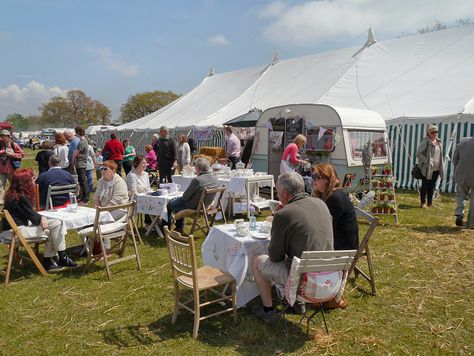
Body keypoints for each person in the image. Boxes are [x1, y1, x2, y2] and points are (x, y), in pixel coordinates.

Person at [251, 172, 333, 323]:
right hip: (328, 278)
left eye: (276, 191)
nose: (277, 195)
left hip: (303, 282)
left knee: (258, 260)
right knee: (298, 256)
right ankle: (297, 303)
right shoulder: (321, 204)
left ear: (284, 192)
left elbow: (275, 257)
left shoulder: (284, 214)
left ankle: (267, 310)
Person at [2, 168, 77, 271]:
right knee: (54, 227)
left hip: (9, 231)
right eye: (33, 179)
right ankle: (58, 258)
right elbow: (34, 218)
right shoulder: (21, 197)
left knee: (55, 224)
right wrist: (42, 218)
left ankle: (52, 260)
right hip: (15, 233)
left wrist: (42, 218)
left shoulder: (12, 195)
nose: (34, 181)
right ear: (25, 182)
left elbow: (30, 214)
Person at [312, 163, 359, 250]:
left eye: (316, 177)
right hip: (336, 241)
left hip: (343, 248)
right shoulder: (327, 195)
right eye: (313, 176)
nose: (313, 180)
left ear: (327, 178)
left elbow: (325, 226)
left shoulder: (336, 198)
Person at [164, 157, 218, 233]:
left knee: (169, 203)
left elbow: (185, 197)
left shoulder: (197, 180)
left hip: (194, 206)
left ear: (198, 169)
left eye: (195, 167)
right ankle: (179, 227)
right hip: (205, 204)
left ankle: (166, 229)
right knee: (178, 203)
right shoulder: (214, 177)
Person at [416, 124, 444, 208]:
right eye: (432, 132)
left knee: (432, 186)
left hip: (436, 168)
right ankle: (422, 203)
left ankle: (430, 203)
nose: (435, 134)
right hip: (427, 168)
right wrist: (426, 161)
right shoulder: (426, 141)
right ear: (429, 133)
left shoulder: (439, 141)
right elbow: (418, 153)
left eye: (436, 132)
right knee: (425, 185)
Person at [452, 136, 474, 228]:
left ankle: (459, 213)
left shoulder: (463, 141)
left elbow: (454, 159)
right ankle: (472, 223)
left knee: (460, 195)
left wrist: (458, 167)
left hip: (462, 173)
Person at [0, 129, 24, 204]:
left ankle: (19, 198)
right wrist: (2, 152)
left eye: (4, 136)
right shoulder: (0, 144)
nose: (3, 138)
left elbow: (22, 155)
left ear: (9, 136)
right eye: (2, 136)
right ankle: (1, 200)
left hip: (12, 169)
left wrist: (11, 154)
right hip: (2, 169)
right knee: (1, 185)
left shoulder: (14, 145)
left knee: (15, 184)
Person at [71, 126, 90, 204]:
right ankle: (82, 195)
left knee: (82, 181)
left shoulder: (82, 142)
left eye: (76, 131)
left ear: (78, 132)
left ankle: (85, 197)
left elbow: (76, 153)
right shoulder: (84, 141)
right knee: (81, 180)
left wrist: (72, 162)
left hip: (81, 163)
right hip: (82, 163)